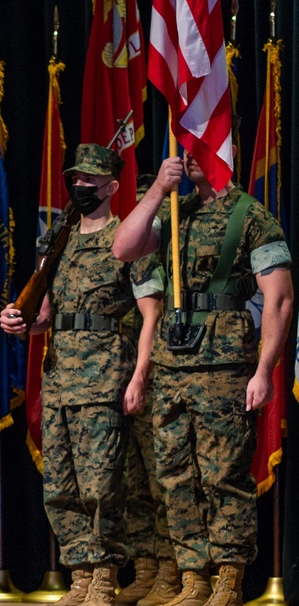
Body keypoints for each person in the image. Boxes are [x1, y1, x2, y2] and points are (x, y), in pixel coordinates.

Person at [112, 151, 293, 606]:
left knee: (224, 475)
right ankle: (193, 577)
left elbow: (280, 298)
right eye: (182, 145)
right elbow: (123, 247)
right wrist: (157, 190)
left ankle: (228, 578)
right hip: (172, 366)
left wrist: (264, 370)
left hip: (223, 366)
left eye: (198, 142)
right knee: (174, 476)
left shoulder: (251, 215)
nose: (186, 153)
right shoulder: (175, 214)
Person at [0, 144, 150, 606]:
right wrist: (21, 320)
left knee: (101, 482)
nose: (81, 187)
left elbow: (151, 312)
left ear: (112, 186)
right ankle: (81, 574)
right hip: (60, 376)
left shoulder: (128, 239)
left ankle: (104, 574)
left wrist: (139, 375)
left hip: (106, 375)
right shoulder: (56, 240)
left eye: (91, 180)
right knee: (60, 484)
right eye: (76, 180)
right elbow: (45, 313)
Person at [116, 175, 177, 606]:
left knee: (162, 483)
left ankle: (171, 574)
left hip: (156, 379)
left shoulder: (163, 256)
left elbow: (152, 320)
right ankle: (145, 569)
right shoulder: (127, 253)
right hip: (120, 377)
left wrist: (140, 376)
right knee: (133, 482)